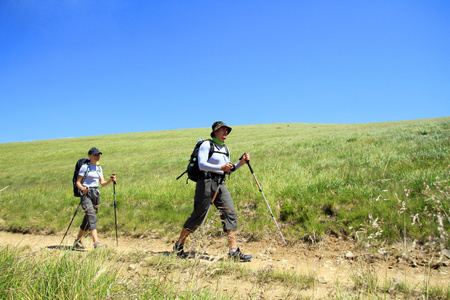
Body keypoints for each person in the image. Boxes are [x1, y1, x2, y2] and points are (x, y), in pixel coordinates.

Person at [174, 121, 253, 262]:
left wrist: (240, 163)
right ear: (215, 131)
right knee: (199, 215)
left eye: (226, 130)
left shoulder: (225, 149)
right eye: (222, 130)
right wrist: (221, 168)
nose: (225, 132)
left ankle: (233, 251)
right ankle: (179, 245)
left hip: (220, 183)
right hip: (205, 183)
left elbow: (228, 169)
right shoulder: (207, 145)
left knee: (230, 212)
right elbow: (202, 165)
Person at [73, 147, 116, 249]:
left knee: (87, 219)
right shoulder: (84, 167)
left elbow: (102, 183)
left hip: (95, 194)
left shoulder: (99, 168)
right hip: (86, 194)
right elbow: (77, 182)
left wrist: (111, 180)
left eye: (98, 155)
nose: (97, 157)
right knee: (91, 215)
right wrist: (83, 189)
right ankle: (96, 243)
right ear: (89, 156)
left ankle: (77, 241)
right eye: (95, 155)